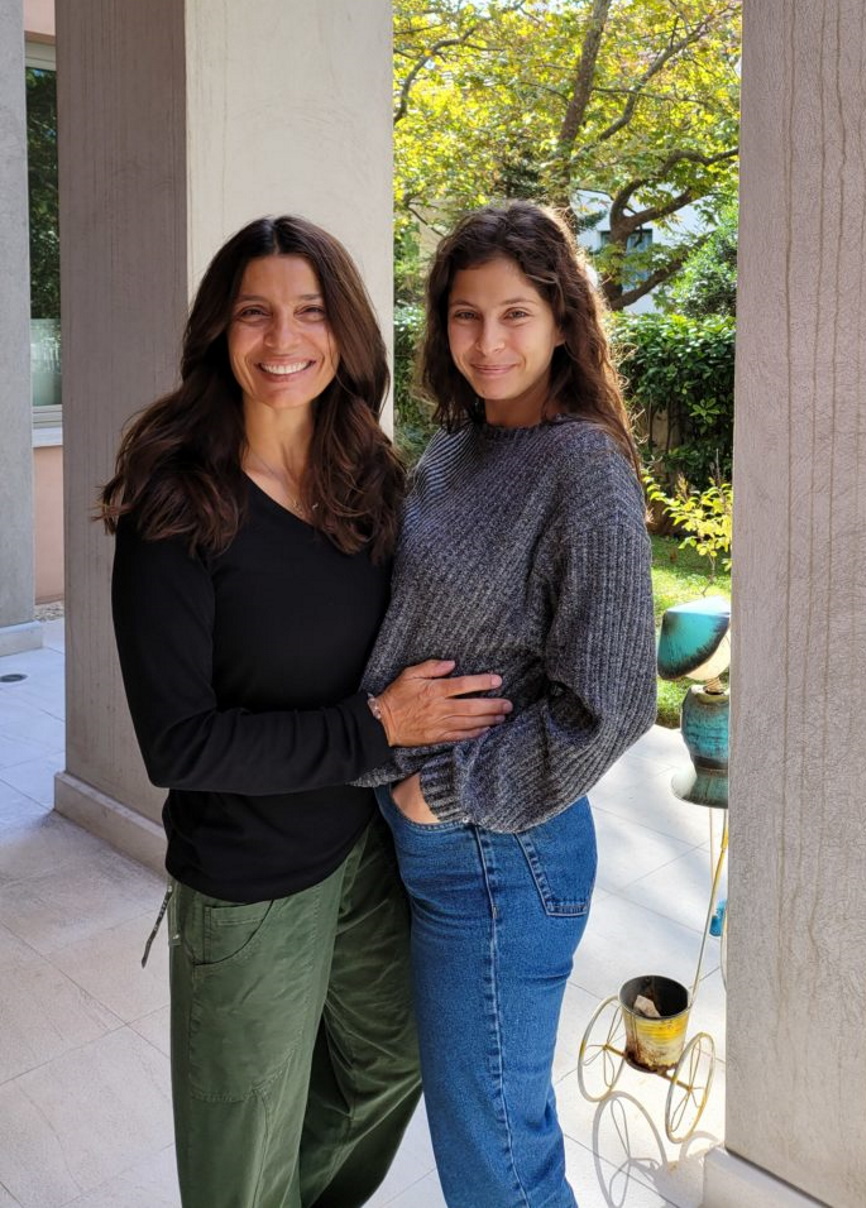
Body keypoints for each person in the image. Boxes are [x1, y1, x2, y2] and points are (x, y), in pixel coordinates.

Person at [99, 214, 512, 1208]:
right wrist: (377, 728)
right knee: (240, 1159)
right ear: (219, 330)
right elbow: (178, 743)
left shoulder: (365, 478)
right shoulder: (177, 504)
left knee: (393, 1063)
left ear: (346, 332)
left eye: (310, 311)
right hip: (248, 881)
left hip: (366, 852)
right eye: (255, 313)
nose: (283, 339)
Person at [360, 200, 658, 1208]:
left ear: (563, 320)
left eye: (515, 314)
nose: (488, 341)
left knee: (498, 1157)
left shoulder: (582, 468)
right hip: (441, 844)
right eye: (466, 314)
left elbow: (613, 700)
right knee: (483, 1133)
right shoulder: (456, 448)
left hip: (500, 856)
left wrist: (439, 790)